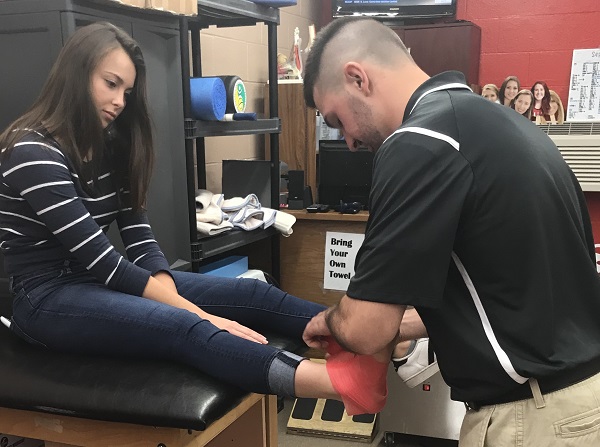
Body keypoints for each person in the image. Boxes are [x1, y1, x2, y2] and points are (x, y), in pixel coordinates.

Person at [0, 21, 384, 409]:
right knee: (185, 327)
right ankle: (343, 383)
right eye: (110, 83)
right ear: (75, 76)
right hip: (45, 299)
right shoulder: (31, 151)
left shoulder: (111, 146)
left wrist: (175, 295)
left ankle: (369, 336)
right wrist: (199, 315)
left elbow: (141, 242)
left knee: (251, 291)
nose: (119, 102)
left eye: (127, 92)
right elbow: (104, 262)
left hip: (98, 283)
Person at [302, 16, 600, 445]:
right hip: (576, 405)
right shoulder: (501, 124)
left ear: (357, 78)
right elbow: (507, 293)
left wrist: (334, 319)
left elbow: (366, 329)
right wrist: (400, 326)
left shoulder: (417, 142)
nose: (346, 140)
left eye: (337, 118)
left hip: (533, 419)